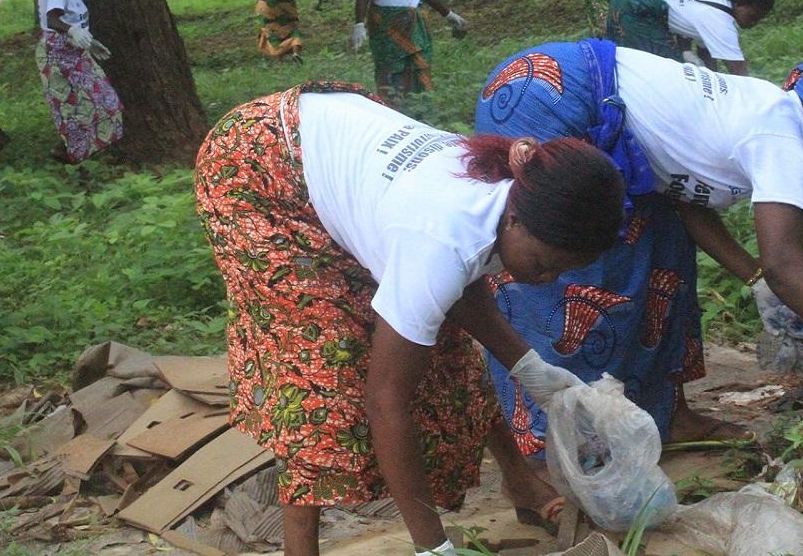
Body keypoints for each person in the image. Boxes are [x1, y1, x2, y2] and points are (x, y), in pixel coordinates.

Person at [193, 80, 626, 556]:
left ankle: (521, 484)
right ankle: (301, 550)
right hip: (256, 170)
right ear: (515, 219)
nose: (545, 280)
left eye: (561, 271)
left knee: (442, 348)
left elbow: (459, 279)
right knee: (324, 372)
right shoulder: (439, 240)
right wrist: (432, 547)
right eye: (543, 264)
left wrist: (530, 369)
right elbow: (386, 402)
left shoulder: (515, 186)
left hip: (331, 138)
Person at [474, 38, 803, 455]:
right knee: (564, 259)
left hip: (575, 96)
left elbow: (685, 201)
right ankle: (551, 444)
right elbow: (784, 261)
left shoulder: (767, 110)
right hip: (552, 98)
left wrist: (755, 279)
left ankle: (666, 415)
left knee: (663, 247)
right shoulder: (782, 142)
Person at [584, 0, 775, 76]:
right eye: (753, 16)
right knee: (657, 71)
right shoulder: (720, 22)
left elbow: (707, 52)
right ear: (742, 2)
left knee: (609, 56)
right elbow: (739, 73)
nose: (753, 23)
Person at [36, 0, 124, 164]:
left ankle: (86, 152)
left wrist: (88, 41)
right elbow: (52, 19)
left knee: (105, 100)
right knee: (73, 105)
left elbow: (73, 18)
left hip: (74, 50)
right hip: (58, 53)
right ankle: (72, 154)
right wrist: (73, 31)